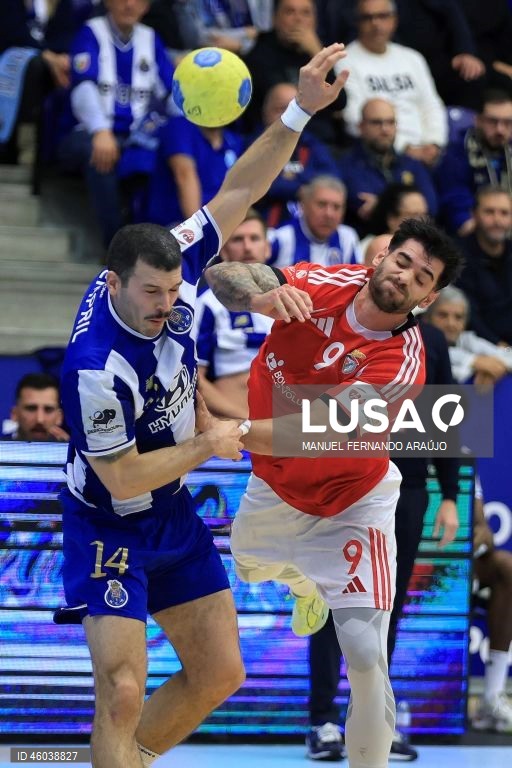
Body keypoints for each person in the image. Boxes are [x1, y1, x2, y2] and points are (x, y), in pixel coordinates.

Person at [55, 43, 350, 768]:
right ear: (114, 282)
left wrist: (299, 110)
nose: (164, 305)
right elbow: (123, 478)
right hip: (108, 518)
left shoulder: (172, 255)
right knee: (122, 691)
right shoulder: (96, 365)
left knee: (221, 674)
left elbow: (240, 189)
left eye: (171, 290)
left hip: (174, 515)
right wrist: (210, 440)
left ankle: (124, 760)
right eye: (149, 295)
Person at [204, 217, 463, 768]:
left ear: (429, 296)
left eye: (422, 277)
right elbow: (219, 277)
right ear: (381, 257)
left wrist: (236, 433)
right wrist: (262, 294)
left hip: (353, 500)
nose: (406, 277)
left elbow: (312, 433)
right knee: (248, 567)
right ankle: (307, 588)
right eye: (403, 261)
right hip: (275, 485)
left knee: (366, 654)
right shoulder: (324, 281)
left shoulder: (403, 362)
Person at [305, 316, 460, 763]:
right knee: (334, 601)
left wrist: (449, 496)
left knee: (386, 608)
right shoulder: (339, 328)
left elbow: (443, 418)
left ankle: (373, 722)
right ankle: (322, 721)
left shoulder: (430, 339)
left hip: (407, 489)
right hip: (344, 486)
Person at [58, 0, 175, 247]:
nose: (129, 4)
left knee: (170, 154)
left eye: (138, 0)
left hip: (138, 137)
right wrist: (100, 130)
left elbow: (171, 94)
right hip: (88, 131)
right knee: (100, 153)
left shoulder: (151, 38)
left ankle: (153, 244)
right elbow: (83, 89)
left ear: (147, 6)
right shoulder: (91, 32)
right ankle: (115, 247)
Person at [342, 0, 448, 167]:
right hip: (380, 153)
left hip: (428, 151)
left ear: (394, 20)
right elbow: (353, 117)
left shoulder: (413, 58)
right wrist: (404, 148)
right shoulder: (345, 60)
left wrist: (434, 143)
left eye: (382, 16)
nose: (376, 23)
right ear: (357, 22)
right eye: (368, 17)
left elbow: (432, 105)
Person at [195, 209, 273, 418]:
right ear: (224, 252)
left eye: (254, 238)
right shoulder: (207, 304)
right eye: (238, 239)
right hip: (236, 424)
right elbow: (193, 380)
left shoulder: (293, 298)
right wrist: (248, 422)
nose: (247, 247)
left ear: (267, 248)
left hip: (288, 423)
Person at [242, 0, 347, 145]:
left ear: (315, 20)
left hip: (319, 142)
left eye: (306, 13)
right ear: (275, 18)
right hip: (275, 139)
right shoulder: (259, 54)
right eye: (290, 12)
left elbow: (340, 102)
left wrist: (317, 53)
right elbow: (278, 97)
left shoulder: (316, 49)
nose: (298, 19)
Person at [337, 97, 438, 233]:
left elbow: (431, 206)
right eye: (376, 123)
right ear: (361, 127)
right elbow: (361, 206)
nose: (385, 129)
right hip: (368, 240)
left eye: (390, 122)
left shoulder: (411, 164)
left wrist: (380, 203)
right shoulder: (347, 165)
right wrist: (409, 208)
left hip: (412, 240)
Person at [247, 82, 336, 227]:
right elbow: (256, 186)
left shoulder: (312, 144)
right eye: (279, 109)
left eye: (294, 110)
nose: (286, 116)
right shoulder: (252, 145)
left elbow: (332, 179)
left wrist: (289, 180)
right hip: (266, 231)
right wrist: (304, 186)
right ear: (265, 112)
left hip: (310, 233)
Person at [435, 89, 512, 235]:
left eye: (507, 123)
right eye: (493, 122)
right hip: (476, 234)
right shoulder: (457, 153)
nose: (500, 130)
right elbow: (456, 202)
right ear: (478, 120)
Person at [143, 114, 244, 226]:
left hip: (221, 226)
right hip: (177, 226)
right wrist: (199, 232)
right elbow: (184, 175)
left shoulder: (234, 141)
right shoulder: (180, 126)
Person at [471, 478, 512, 733]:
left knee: (507, 568)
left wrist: (478, 540)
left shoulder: (457, 457)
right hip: (401, 552)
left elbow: (484, 532)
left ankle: (491, 697)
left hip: (458, 561)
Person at [424, 284, 512, 389]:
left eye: (458, 317)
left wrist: (492, 368)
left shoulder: (465, 339)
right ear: (427, 318)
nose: (451, 324)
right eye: (443, 315)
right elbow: (447, 370)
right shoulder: (417, 341)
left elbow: (509, 355)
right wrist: (474, 362)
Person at [455, 185, 512, 346]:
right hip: (478, 345)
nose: (497, 220)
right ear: (474, 215)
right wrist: (498, 344)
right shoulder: (457, 256)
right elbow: (468, 313)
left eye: (504, 213)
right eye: (489, 212)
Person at [268, 175, 363, 267]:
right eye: (321, 204)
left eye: (336, 207)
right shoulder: (281, 238)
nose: (329, 214)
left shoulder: (347, 237)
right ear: (303, 205)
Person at [2, 372, 69, 441]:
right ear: (14, 414)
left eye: (48, 410)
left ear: (59, 417)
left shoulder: (71, 450)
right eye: (31, 409)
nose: (40, 419)